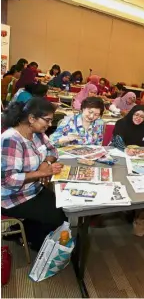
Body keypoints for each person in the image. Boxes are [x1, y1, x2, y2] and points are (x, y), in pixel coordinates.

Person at [1, 98, 67, 250]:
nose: (50, 125)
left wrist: (46, 163)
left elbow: (52, 150)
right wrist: (39, 173)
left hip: (32, 189)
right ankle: (34, 242)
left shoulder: (37, 133)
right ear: (31, 118)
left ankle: (25, 230)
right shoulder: (11, 140)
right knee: (58, 215)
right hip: (11, 197)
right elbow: (8, 180)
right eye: (48, 120)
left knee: (61, 204)